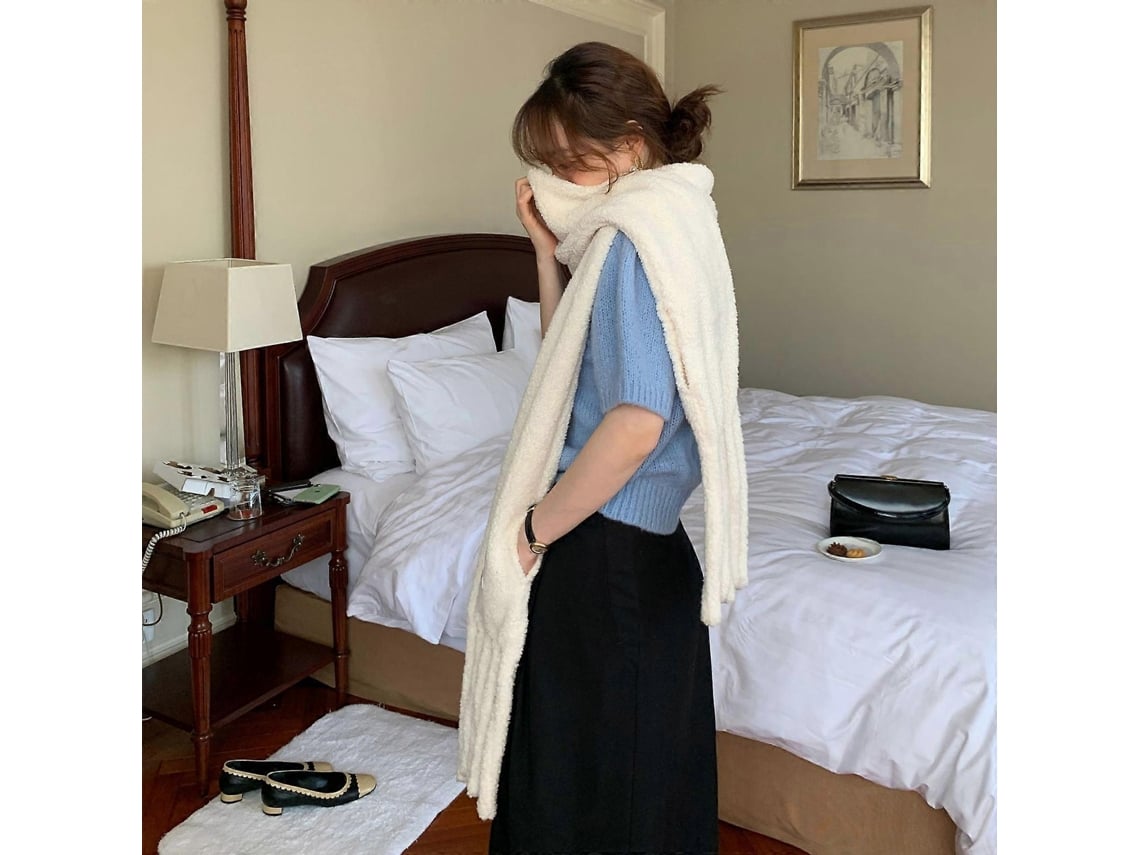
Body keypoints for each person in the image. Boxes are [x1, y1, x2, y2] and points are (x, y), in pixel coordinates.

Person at [455, 41, 749, 855]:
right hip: (650, 552)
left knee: (576, 779)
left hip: (603, 547)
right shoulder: (676, 219)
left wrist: (531, 531)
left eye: (568, 161)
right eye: (545, 163)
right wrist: (544, 253)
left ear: (629, 145)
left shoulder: (630, 241)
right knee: (643, 775)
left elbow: (635, 423)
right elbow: (570, 361)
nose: (554, 178)